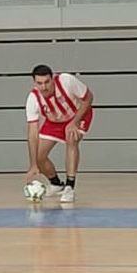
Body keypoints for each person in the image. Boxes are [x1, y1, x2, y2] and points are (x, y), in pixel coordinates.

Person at [23, 64, 93, 204]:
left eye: (47, 82)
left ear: (53, 78)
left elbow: (89, 98)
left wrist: (74, 122)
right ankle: (55, 184)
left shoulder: (66, 81)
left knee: (71, 138)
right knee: (39, 156)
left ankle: (70, 187)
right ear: (34, 82)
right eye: (39, 83)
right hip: (54, 121)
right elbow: (32, 133)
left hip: (78, 115)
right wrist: (33, 165)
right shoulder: (33, 99)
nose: (44, 87)